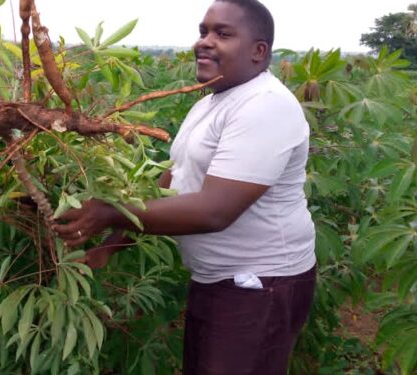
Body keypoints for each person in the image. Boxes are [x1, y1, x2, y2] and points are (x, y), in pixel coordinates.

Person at [54, 0, 316, 374]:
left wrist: (106, 213)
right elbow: (173, 180)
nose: (205, 42)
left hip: (260, 283)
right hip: (219, 278)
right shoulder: (212, 102)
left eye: (223, 34)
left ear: (259, 52)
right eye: (203, 31)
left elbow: (215, 210)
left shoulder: (266, 106)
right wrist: (112, 243)